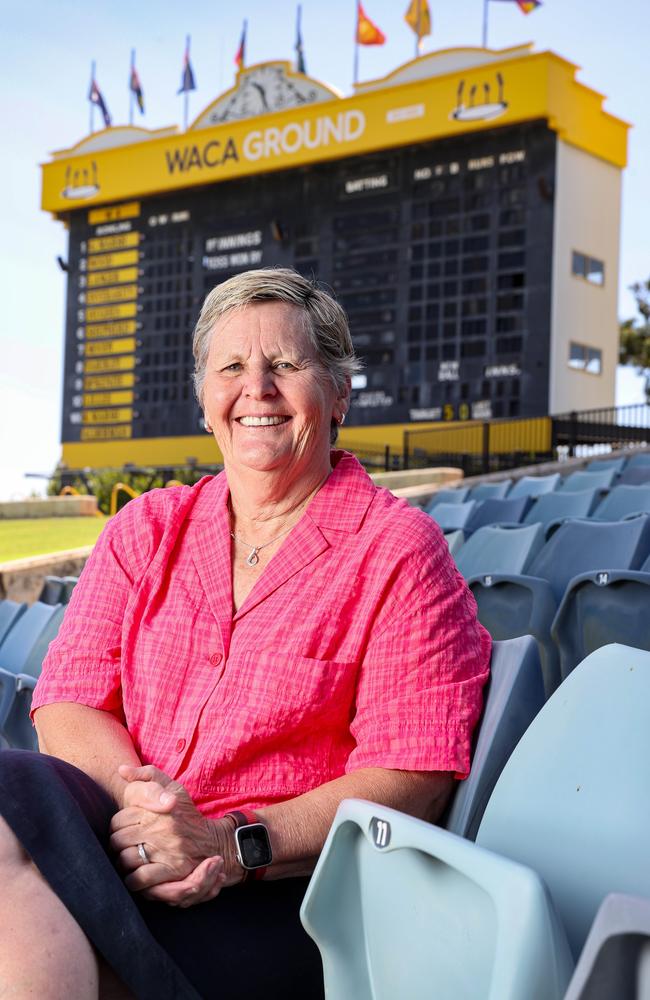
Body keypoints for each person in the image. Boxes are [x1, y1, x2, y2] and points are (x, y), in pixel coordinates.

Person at [0, 267, 491, 999]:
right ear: (205, 399)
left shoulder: (397, 551)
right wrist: (149, 820)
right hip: (122, 847)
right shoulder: (146, 528)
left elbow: (410, 779)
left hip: (280, 900)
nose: (256, 388)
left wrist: (228, 845)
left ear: (338, 394)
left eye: (286, 365)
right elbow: (71, 699)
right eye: (231, 367)